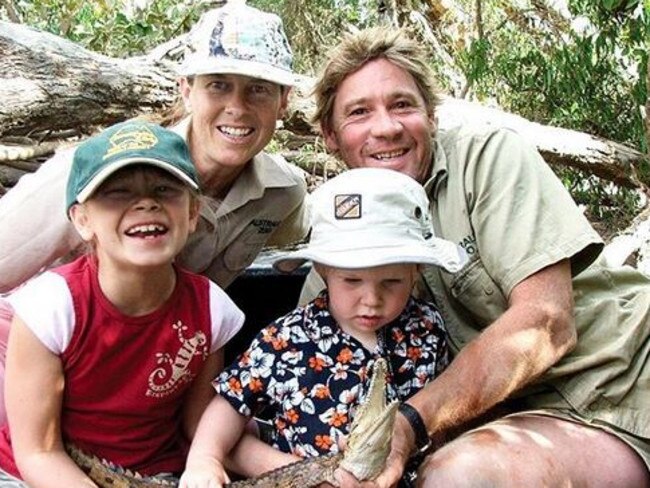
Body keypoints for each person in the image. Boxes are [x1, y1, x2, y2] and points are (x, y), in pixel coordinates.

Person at [300, 26, 650, 487]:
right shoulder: (336, 240)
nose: (385, 127)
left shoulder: (487, 160)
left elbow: (547, 323)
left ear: (431, 116)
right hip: (516, 418)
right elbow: (298, 364)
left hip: (616, 382)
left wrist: (410, 423)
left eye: (403, 105)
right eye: (359, 113)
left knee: (459, 476)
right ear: (330, 135)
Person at [0, 0, 308, 424]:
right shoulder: (97, 175)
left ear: (284, 101)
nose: (238, 107)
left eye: (258, 88)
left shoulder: (281, 193)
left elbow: (295, 244)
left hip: (153, 362)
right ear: (187, 89)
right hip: (37, 350)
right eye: (218, 85)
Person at [177, 167, 467, 487]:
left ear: (417, 271)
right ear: (323, 269)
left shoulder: (426, 328)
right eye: (352, 281)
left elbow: (441, 408)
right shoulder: (287, 339)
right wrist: (206, 459)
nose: (371, 299)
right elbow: (230, 404)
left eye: (391, 282)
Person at [0, 121, 246, 487]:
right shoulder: (50, 309)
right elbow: (39, 452)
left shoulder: (212, 310)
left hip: (155, 474)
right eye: (117, 192)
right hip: (38, 473)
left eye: (165, 189)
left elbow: (198, 423)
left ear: (193, 213)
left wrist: (211, 465)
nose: (146, 202)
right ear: (83, 220)